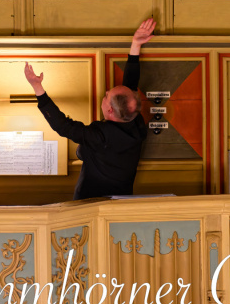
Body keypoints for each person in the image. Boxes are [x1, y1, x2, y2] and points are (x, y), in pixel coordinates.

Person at [24, 18, 156, 200]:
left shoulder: (101, 136)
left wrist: (37, 87)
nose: (106, 91)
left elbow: (63, 126)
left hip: (91, 205)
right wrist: (135, 45)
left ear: (110, 111)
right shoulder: (135, 124)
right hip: (121, 203)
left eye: (106, 96)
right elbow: (129, 88)